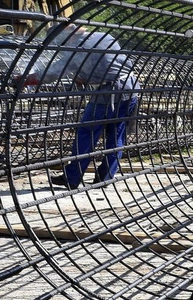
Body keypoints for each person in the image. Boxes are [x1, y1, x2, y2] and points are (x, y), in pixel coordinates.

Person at [28, 24, 141, 187]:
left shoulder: (76, 49)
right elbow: (108, 64)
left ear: (67, 35)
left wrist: (26, 79)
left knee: (86, 133)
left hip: (108, 93)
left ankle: (72, 178)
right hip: (130, 89)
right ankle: (105, 177)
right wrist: (87, 76)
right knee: (116, 135)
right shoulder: (103, 36)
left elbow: (52, 73)